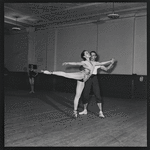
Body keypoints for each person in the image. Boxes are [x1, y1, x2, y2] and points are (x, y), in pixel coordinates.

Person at [41, 50, 114, 118]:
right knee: (66, 74)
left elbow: (102, 63)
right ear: (84, 56)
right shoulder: (84, 62)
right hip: (80, 75)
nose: (88, 53)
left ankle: (75, 111)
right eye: (86, 53)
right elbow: (76, 63)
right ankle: (51, 72)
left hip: (82, 81)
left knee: (77, 96)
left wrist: (110, 61)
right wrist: (68, 63)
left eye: (88, 52)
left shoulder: (94, 63)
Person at [79, 51, 115, 118]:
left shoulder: (98, 63)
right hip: (88, 78)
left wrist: (111, 63)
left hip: (94, 78)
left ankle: (100, 112)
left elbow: (107, 69)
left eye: (94, 55)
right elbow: (81, 69)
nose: (93, 56)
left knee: (97, 94)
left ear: (95, 56)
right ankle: (85, 110)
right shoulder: (87, 63)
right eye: (91, 55)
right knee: (85, 94)